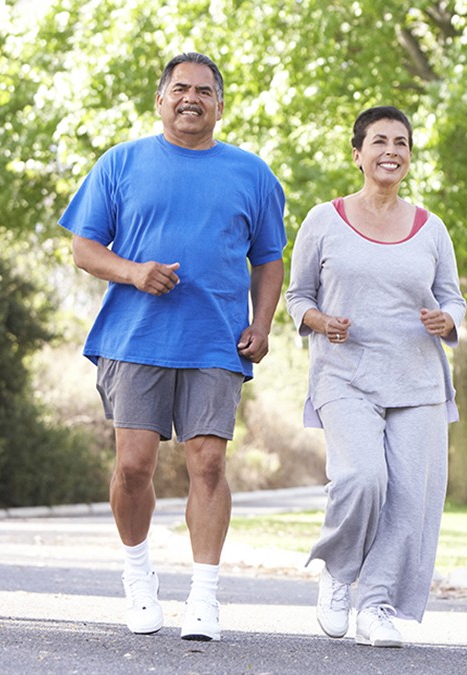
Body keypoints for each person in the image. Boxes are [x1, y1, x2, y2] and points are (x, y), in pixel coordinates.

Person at [58, 52, 287, 641]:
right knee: (133, 466)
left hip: (215, 340)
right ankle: (139, 577)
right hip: (135, 338)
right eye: (180, 88)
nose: (192, 98)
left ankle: (204, 596)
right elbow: (84, 248)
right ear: (161, 100)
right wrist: (134, 272)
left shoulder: (253, 174)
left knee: (208, 463)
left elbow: (268, 260)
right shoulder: (121, 162)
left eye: (204, 91)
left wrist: (262, 325)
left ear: (220, 105)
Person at [285, 105, 466, 648]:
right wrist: (319, 321)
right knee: (363, 478)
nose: (391, 151)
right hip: (345, 375)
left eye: (401, 143)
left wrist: (447, 319)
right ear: (358, 154)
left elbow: (453, 296)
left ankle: (377, 605)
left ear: (409, 155)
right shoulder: (324, 220)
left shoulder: (431, 228)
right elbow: (298, 296)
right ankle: (339, 572)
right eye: (380, 141)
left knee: (410, 499)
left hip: (417, 379)